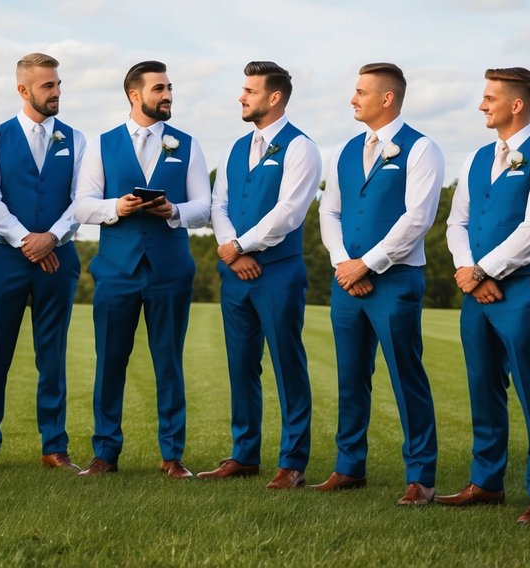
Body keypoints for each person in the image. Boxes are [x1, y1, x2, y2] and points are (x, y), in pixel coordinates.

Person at [439, 67, 530, 523]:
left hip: (523, 291)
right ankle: (487, 482)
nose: (482, 105)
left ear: (516, 105)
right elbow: (456, 222)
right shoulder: (476, 158)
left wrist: (483, 269)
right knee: (483, 386)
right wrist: (467, 270)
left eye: (489, 97)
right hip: (475, 293)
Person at [72, 60, 211, 478]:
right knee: (109, 360)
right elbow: (82, 204)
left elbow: (203, 207)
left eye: (169, 88)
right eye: (159, 89)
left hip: (170, 269)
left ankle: (172, 455)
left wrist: (173, 211)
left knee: (168, 360)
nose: (167, 95)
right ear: (135, 95)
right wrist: (118, 206)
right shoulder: (101, 144)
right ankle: (105, 453)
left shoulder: (188, 144)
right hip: (116, 269)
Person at [314, 62, 442, 505]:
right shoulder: (346, 149)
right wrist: (343, 263)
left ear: (387, 98)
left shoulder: (421, 148)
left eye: (360, 91)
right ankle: (348, 467)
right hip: (345, 280)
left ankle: (421, 477)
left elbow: (418, 218)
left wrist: (368, 264)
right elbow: (329, 211)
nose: (353, 98)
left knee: (407, 377)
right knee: (351, 376)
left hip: (397, 280)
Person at [200, 61, 320, 490]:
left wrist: (241, 246)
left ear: (274, 97)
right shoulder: (234, 148)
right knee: (241, 365)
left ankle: (292, 462)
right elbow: (219, 205)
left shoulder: (301, 147)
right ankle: (244, 454)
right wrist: (233, 253)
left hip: (279, 273)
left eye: (249, 90)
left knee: (288, 364)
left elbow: (288, 212)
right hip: (236, 274)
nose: (241, 96)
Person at [0, 53, 85, 473]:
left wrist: (52, 238)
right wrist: (27, 241)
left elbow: (82, 199)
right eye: (47, 86)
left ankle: (55, 447)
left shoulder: (76, 139)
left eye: (57, 84)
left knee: (52, 355)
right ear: (23, 90)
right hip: (5, 258)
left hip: (59, 258)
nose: (56, 92)